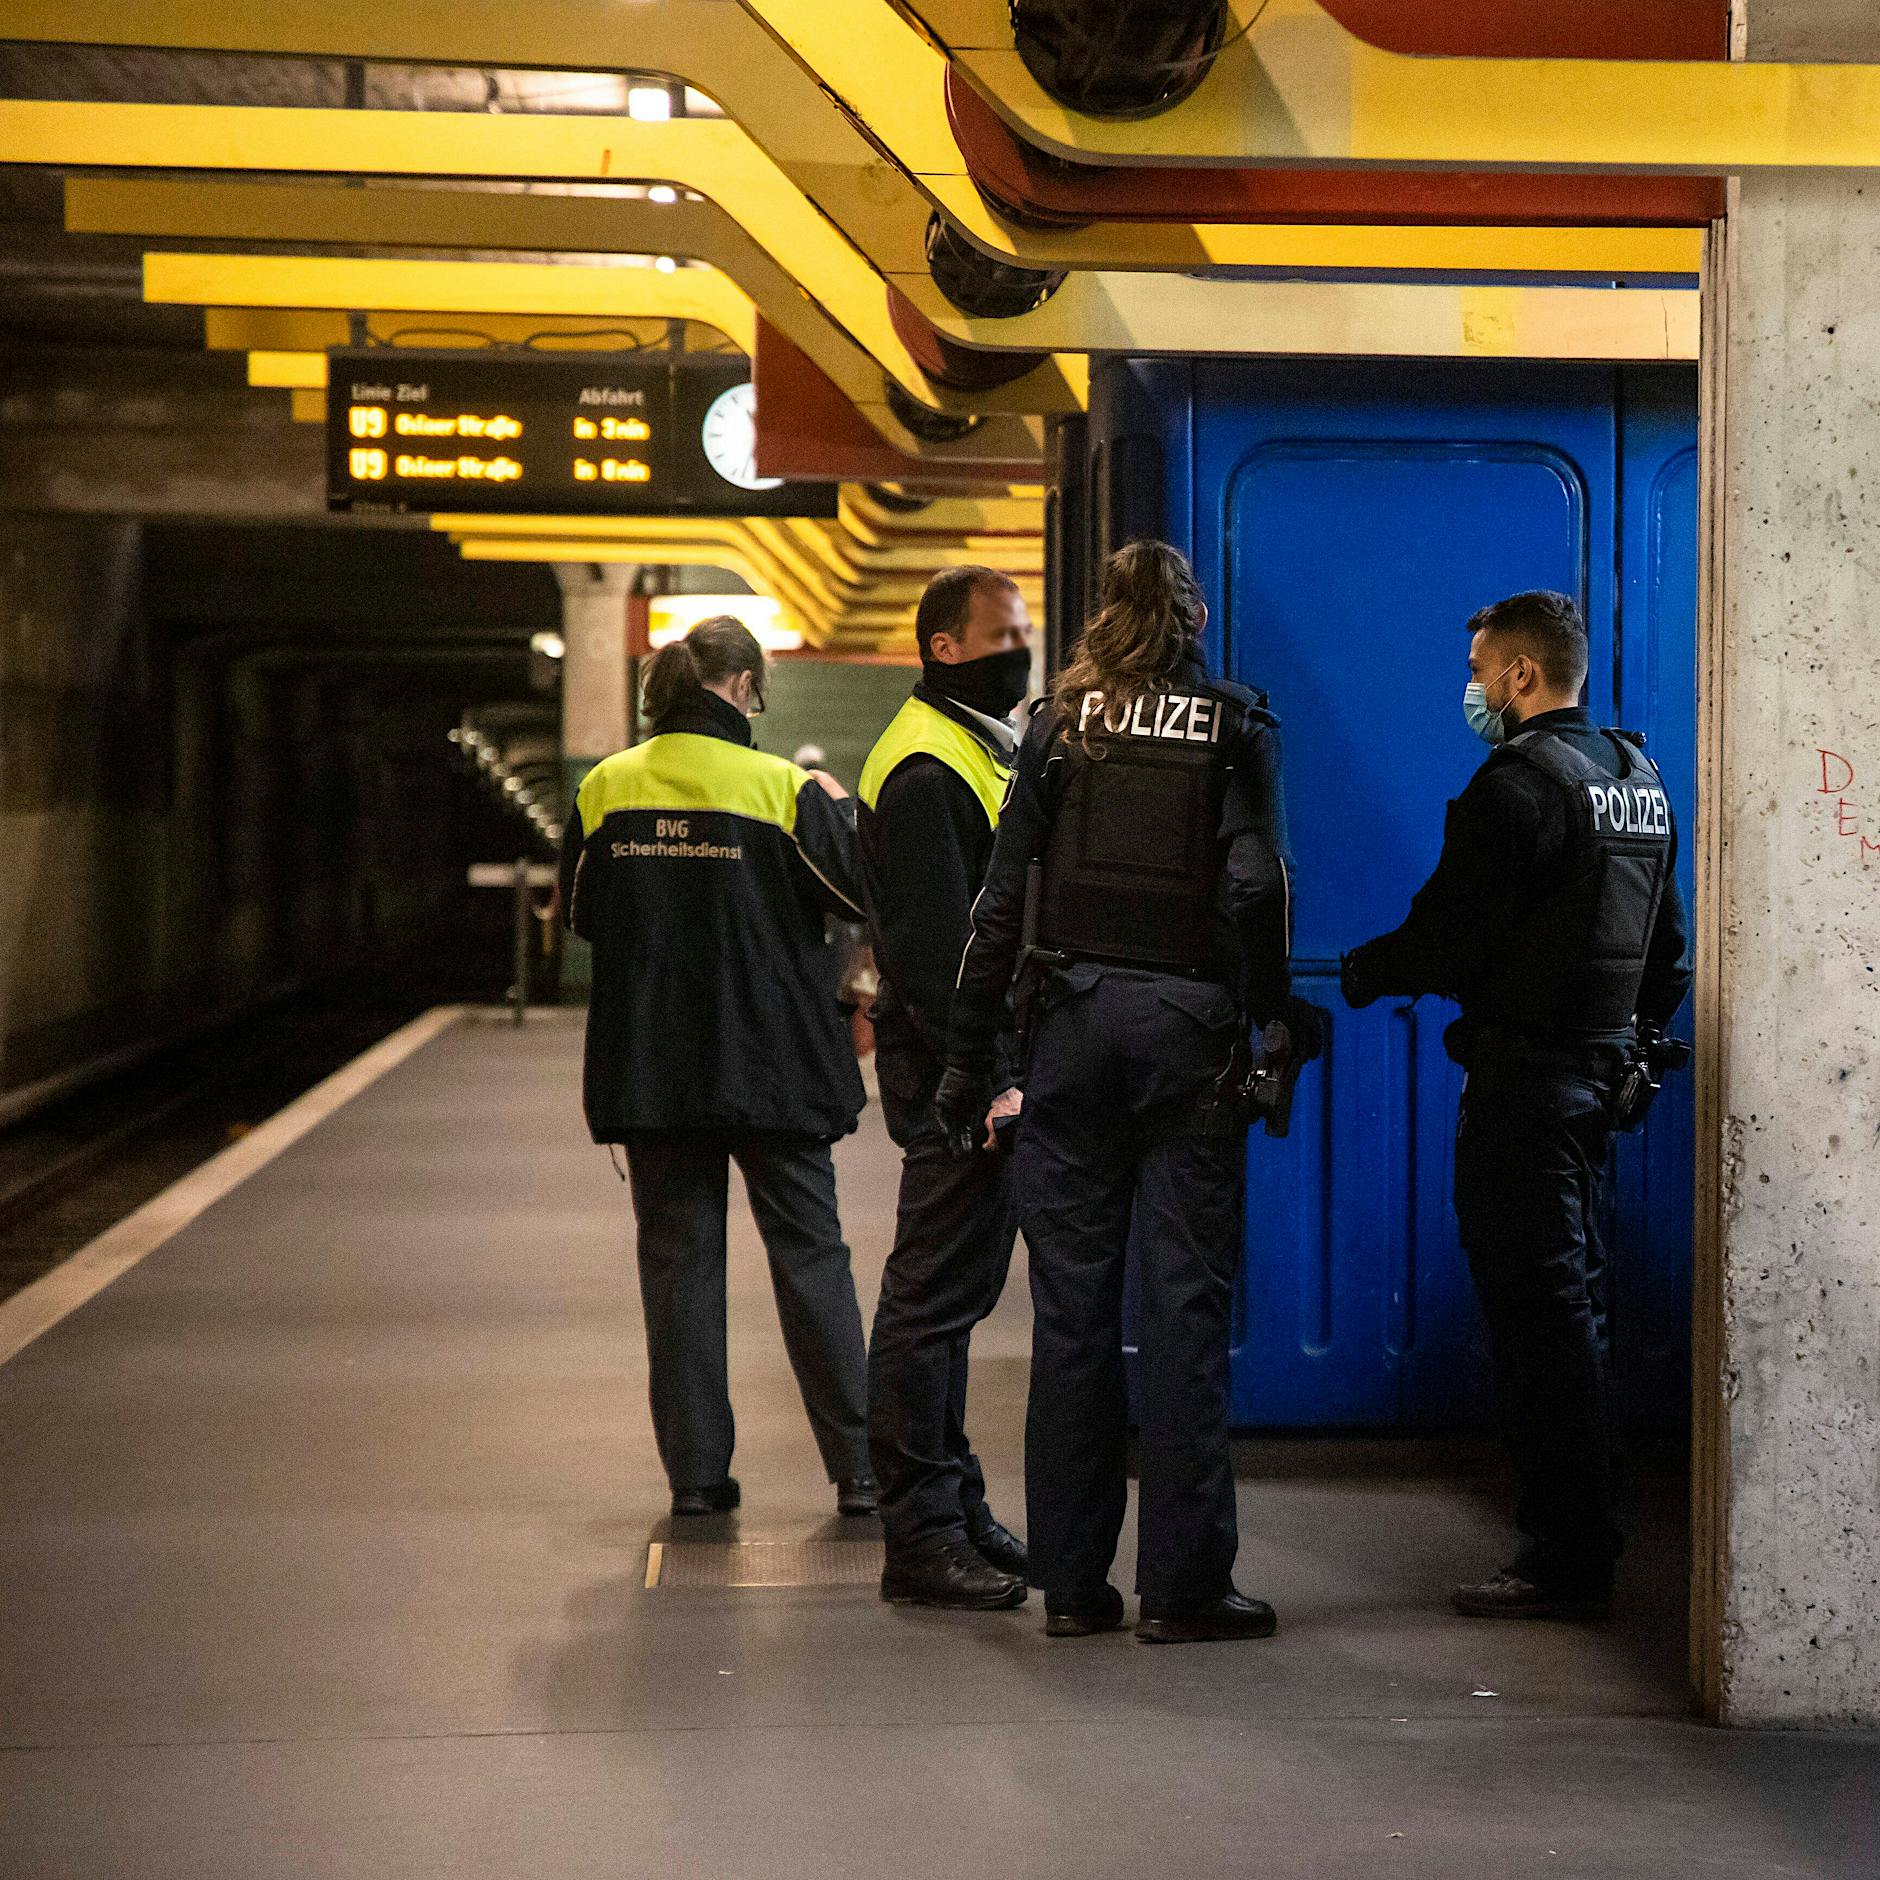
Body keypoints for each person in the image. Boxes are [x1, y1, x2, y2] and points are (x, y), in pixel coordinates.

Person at [936, 540, 1318, 1642]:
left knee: (1070, 1316)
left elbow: (997, 904)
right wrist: (1270, 1010)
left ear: (1102, 617)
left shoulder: (1058, 727)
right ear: (1193, 618)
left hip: (1066, 1033)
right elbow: (1256, 881)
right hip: (1185, 1036)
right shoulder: (1236, 724)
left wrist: (972, 1059)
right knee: (1183, 1309)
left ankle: (1071, 1581)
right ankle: (1185, 1586)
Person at [1340, 589, 1691, 1620]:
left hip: (1524, 1087)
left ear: (1522, 675)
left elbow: (1444, 932)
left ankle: (1565, 1553)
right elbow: (1663, 952)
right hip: (1596, 1082)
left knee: (1538, 1318)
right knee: (1570, 1306)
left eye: (1482, 673)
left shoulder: (1517, 784)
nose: (1476, 693)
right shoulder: (1635, 777)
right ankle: (1579, 1527)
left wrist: (1363, 971)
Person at [558, 615, 879, 1520]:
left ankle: (698, 1480)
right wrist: (838, 811)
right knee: (812, 1257)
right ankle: (859, 1470)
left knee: (679, 1265)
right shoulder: (782, 788)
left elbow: (583, 915)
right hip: (774, 1063)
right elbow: (859, 895)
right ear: (741, 689)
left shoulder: (605, 787)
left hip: (654, 1065)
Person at [858, 566, 1034, 1611]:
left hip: (971, 1072)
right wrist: (993, 1081)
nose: (1020, 645)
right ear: (945, 647)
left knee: (952, 1300)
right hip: (958, 1082)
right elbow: (935, 955)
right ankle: (918, 1535)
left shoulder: (974, 743)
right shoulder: (927, 767)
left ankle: (953, 1501)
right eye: (1002, 631)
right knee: (926, 1305)